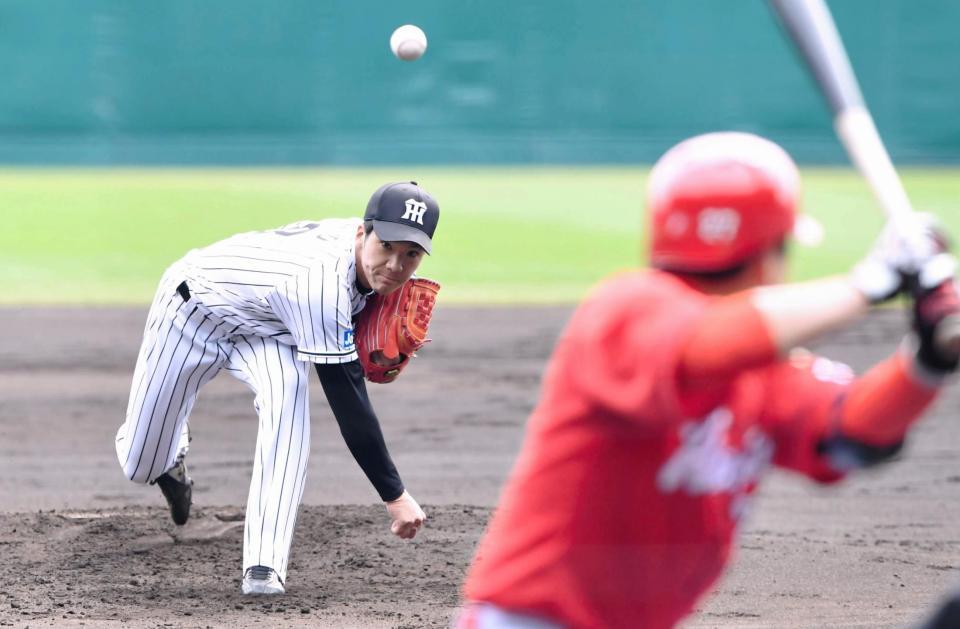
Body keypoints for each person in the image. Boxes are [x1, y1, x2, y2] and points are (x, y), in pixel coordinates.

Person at [458, 132, 960, 629]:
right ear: (766, 252)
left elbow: (851, 434)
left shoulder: (761, 370)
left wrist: (927, 359)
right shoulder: (627, 311)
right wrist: (869, 283)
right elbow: (702, 346)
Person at [115, 181, 439, 595]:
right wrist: (395, 495)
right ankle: (171, 457)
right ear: (363, 233)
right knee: (141, 464)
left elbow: (355, 296)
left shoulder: (359, 260)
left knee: (287, 400)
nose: (396, 265)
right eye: (387, 247)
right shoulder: (318, 284)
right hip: (191, 313)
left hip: (268, 331)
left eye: (410, 254)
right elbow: (348, 401)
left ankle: (265, 566)